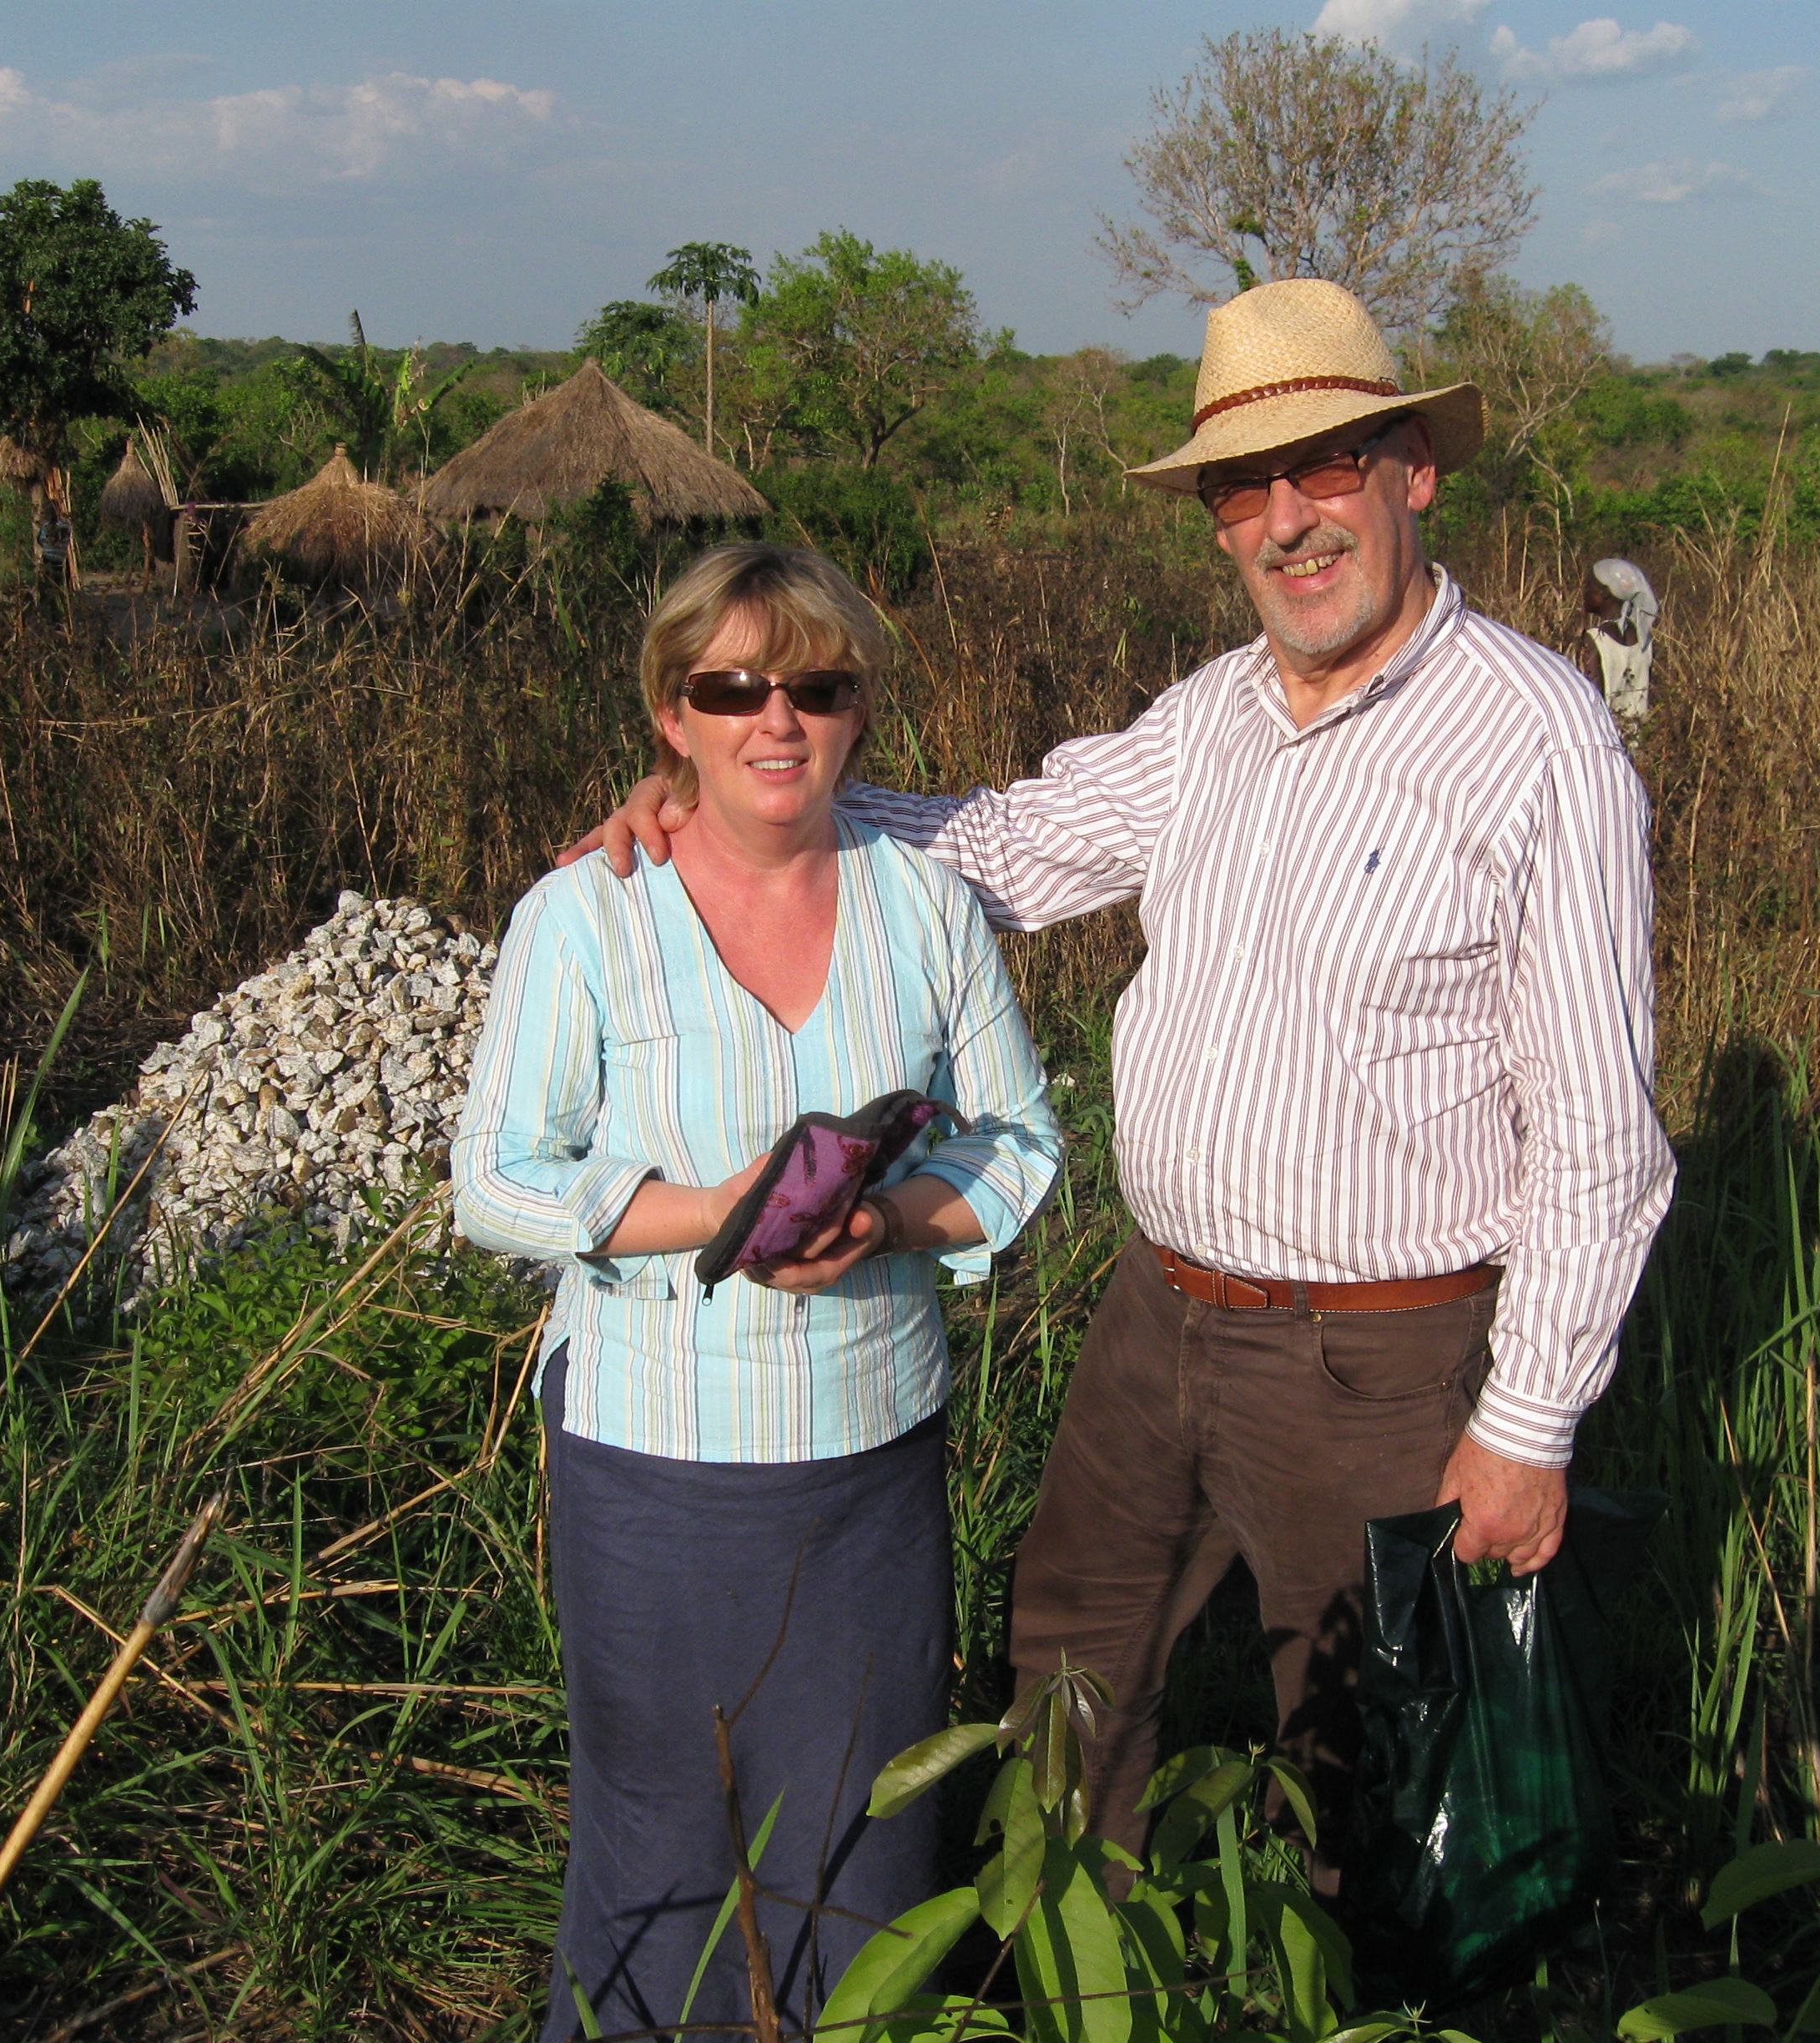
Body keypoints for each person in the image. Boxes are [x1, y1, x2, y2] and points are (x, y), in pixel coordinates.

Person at [570, 280, 1674, 1894]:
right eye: (1243, 486)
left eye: (1324, 469)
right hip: (1159, 1313)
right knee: (1072, 1662)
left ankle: (1355, 2000)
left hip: (1376, 1358)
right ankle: (1089, 1969)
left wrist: (1524, 1427)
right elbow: (1009, 848)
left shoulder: (1535, 743)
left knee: (1364, 1743)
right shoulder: (1212, 716)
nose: (1286, 521)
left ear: (1410, 473)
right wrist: (755, 793)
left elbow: (1600, 1141)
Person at [454, 544, 1061, 2039]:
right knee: (662, 1846)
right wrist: (707, 1212)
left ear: (861, 711)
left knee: (866, 1836)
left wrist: (901, 1219)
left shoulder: (922, 905)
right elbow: (495, 1180)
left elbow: (1018, 1142)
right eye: (731, 687)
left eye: (816, 685)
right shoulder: (584, 916)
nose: (773, 719)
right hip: (653, 1473)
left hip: (868, 1467)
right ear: (672, 715)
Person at [1581, 557, 1658, 733]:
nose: (1584, 592)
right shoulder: (1644, 639)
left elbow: (1593, 694)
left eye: (1588, 586)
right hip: (1640, 739)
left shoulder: (1595, 639)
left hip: (1608, 737)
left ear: (1604, 593)